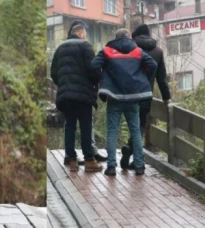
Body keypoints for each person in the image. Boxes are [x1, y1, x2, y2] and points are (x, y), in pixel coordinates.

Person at [91, 28, 157, 176]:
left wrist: (105, 80)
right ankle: (139, 166)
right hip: (133, 98)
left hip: (114, 97)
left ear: (116, 38)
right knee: (135, 132)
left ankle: (111, 167)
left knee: (112, 132)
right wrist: (141, 80)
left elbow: (94, 66)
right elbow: (153, 65)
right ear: (129, 38)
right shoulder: (137, 51)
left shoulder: (107, 50)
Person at [50, 20, 103, 172]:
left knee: (70, 125)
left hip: (65, 95)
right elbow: (93, 70)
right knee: (86, 126)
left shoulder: (60, 48)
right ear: (80, 33)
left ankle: (71, 159)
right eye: (84, 35)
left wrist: (64, 84)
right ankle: (89, 161)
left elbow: (54, 73)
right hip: (83, 95)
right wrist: (95, 82)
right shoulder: (85, 46)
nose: (85, 37)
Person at [121, 24, 172, 170]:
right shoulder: (158, 51)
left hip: (129, 93)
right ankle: (135, 156)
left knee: (133, 125)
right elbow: (161, 79)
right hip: (146, 94)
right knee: (141, 126)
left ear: (135, 35)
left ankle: (132, 151)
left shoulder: (130, 48)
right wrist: (166, 98)